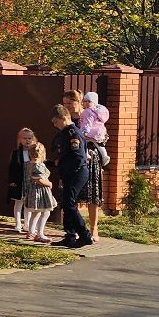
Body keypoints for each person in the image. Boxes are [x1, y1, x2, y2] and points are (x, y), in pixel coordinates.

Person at [48, 108, 91, 247]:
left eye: (56, 121)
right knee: (66, 204)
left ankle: (84, 235)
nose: (54, 125)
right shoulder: (65, 133)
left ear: (64, 118)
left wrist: (68, 173)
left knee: (70, 204)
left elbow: (78, 158)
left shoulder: (73, 133)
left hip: (76, 173)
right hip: (69, 173)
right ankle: (70, 235)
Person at [77, 91, 110, 243]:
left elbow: (103, 136)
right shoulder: (72, 118)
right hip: (78, 158)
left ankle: (93, 228)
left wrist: (92, 137)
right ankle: (75, 228)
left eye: (85, 101)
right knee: (74, 195)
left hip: (92, 156)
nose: (84, 103)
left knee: (93, 194)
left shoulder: (90, 113)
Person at [7, 126, 40, 229]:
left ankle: (27, 224)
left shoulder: (34, 152)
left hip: (30, 181)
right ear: (20, 140)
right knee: (18, 202)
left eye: (29, 138)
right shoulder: (16, 153)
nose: (27, 140)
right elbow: (12, 168)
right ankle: (18, 224)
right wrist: (12, 181)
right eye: (25, 138)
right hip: (19, 181)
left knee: (28, 203)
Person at [22, 142, 55, 242]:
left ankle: (31, 232)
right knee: (45, 212)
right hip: (40, 192)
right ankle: (40, 234)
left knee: (36, 213)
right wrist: (49, 184)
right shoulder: (38, 165)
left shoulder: (29, 164)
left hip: (34, 191)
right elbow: (38, 179)